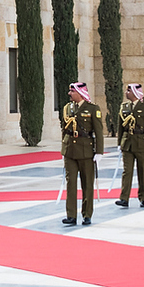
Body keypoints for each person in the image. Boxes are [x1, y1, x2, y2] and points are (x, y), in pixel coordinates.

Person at [60, 82, 104, 225]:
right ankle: (71, 215)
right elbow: (64, 129)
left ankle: (87, 214)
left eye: (72, 91)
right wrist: (63, 148)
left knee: (87, 184)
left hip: (86, 151)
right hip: (70, 151)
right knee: (71, 183)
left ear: (79, 93)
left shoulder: (92, 109)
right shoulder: (68, 108)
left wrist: (99, 152)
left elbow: (98, 132)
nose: (69, 94)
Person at [116, 84, 144, 208]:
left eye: (128, 91)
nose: (126, 93)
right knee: (127, 172)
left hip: (141, 142)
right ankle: (124, 198)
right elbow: (120, 127)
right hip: (127, 143)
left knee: (143, 171)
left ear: (134, 93)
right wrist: (119, 143)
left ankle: (143, 197)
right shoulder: (124, 107)